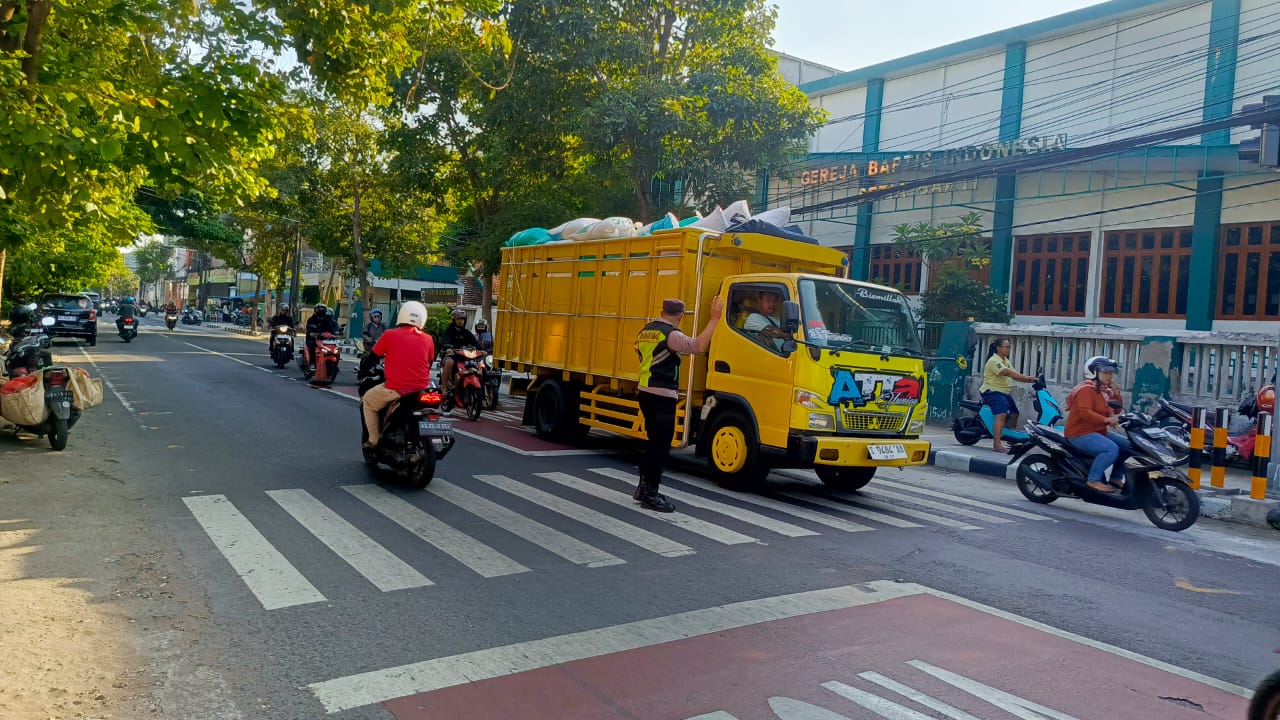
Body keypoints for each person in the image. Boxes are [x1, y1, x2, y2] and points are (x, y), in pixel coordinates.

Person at [633, 296, 725, 513]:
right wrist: (714, 319)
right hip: (662, 395)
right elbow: (698, 346)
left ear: (662, 311)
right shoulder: (671, 334)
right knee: (660, 447)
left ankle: (643, 488)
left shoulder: (646, 331)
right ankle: (650, 495)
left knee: (653, 442)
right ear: (681, 316)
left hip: (645, 391)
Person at [360, 301, 436, 448]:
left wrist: (364, 367)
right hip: (422, 389)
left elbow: (372, 358)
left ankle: (373, 440)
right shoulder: (428, 338)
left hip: (396, 389)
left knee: (368, 401)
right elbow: (429, 362)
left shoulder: (389, 335)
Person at [1065, 356, 1128, 494]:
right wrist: (1106, 420)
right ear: (1093, 372)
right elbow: (1085, 413)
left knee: (1127, 446)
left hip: (1097, 431)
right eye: (1105, 372)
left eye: (1111, 372)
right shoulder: (1086, 390)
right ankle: (1093, 479)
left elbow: (1116, 409)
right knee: (1110, 449)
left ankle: (1116, 478)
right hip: (1079, 433)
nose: (1109, 375)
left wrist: (1117, 394)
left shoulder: (1104, 391)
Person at [979, 337, 1036, 453]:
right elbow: (1008, 373)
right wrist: (1027, 378)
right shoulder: (994, 361)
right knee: (1001, 415)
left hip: (1003, 392)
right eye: (1006, 347)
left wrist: (1031, 379)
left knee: (1014, 414)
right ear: (998, 348)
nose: (1009, 349)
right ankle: (997, 443)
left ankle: (1012, 440)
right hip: (992, 391)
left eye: (1009, 347)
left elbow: (1014, 373)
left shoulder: (1005, 360)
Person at [441, 308, 479, 396]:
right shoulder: (448, 332)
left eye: (462, 319)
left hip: (464, 356)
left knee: (480, 365)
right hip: (451, 355)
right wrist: (448, 348)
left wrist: (483, 351)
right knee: (449, 362)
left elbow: (476, 344)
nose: (460, 322)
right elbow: (445, 342)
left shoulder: (467, 333)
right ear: (453, 320)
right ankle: (444, 387)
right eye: (458, 319)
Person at [304, 304, 339, 369]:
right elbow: (309, 330)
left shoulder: (326, 320)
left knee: (335, 348)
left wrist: (334, 334)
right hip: (313, 339)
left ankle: (335, 365)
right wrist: (313, 334)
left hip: (324, 340)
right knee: (312, 347)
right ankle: (312, 363)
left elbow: (331, 329)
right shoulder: (311, 320)